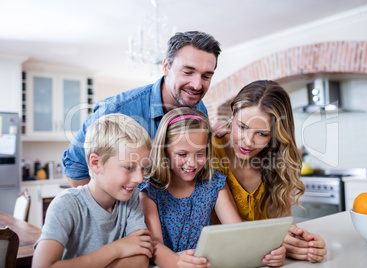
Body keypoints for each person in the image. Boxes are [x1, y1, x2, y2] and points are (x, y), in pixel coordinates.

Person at [63, 31, 221, 187]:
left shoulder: (199, 110)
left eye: (206, 76)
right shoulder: (115, 109)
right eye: (188, 72)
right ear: (166, 66)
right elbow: (74, 166)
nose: (197, 85)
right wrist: (106, 211)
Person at [138, 107, 287, 268]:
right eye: (182, 154)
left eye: (200, 154)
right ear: (165, 151)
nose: (192, 163)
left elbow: (237, 230)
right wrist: (177, 263)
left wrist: (271, 250)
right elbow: (154, 244)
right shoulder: (150, 188)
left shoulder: (213, 183)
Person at [212, 80, 327, 263]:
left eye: (262, 134)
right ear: (233, 111)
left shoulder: (277, 161)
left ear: (275, 133)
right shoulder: (209, 153)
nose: (248, 141)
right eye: (242, 127)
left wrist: (303, 244)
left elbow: (282, 226)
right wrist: (274, 243)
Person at [33, 114, 153, 268]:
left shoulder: (133, 198)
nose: (139, 178)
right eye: (129, 167)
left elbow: (141, 260)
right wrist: (117, 248)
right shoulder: (66, 205)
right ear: (96, 163)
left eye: (143, 168)